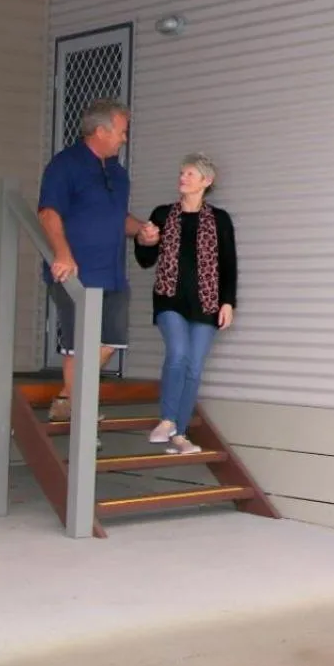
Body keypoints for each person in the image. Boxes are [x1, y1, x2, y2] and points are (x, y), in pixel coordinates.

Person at [37, 98, 154, 423]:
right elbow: (48, 213)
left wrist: (141, 230)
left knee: (112, 341)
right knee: (79, 344)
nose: (124, 138)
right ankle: (79, 410)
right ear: (101, 131)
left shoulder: (117, 172)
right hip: (75, 272)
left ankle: (67, 398)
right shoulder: (65, 165)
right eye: (121, 131)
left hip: (113, 273)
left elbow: (119, 218)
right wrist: (62, 253)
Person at [134, 152, 237, 456]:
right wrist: (145, 241)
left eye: (189, 174)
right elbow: (145, 260)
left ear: (206, 181)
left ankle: (179, 434)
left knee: (194, 366)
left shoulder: (220, 220)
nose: (182, 178)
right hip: (170, 300)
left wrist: (228, 303)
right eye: (181, 173)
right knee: (178, 354)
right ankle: (167, 420)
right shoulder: (163, 214)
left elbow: (228, 264)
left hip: (207, 304)